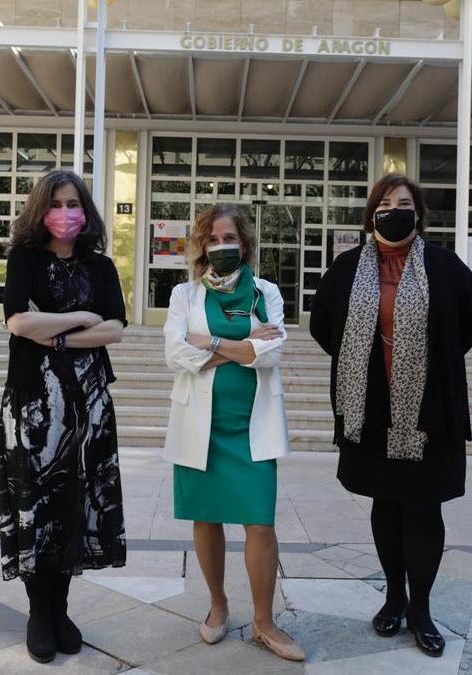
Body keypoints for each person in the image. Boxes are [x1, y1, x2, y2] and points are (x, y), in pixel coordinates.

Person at [309, 173, 472, 658]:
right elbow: (323, 325)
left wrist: (431, 365)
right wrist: (366, 366)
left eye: (404, 203)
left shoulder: (446, 268)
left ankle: (423, 609)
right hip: (370, 410)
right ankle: (394, 597)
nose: (394, 210)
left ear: (419, 213)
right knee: (386, 505)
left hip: (431, 412)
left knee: (424, 508)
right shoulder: (347, 269)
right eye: (385, 203)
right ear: (372, 212)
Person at [162, 203, 304, 662]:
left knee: (260, 522)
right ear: (202, 246)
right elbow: (176, 354)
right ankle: (218, 606)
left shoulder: (265, 291)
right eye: (213, 238)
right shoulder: (185, 295)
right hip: (200, 426)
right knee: (207, 517)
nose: (223, 245)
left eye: (231, 238)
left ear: (245, 243)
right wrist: (243, 346)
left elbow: (272, 351)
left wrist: (215, 344)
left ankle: (264, 621)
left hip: (251, 427)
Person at [0, 170, 128, 664]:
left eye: (74, 203)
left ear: (85, 210)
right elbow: (17, 320)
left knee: (74, 499)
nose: (66, 212)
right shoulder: (25, 260)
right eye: (56, 203)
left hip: (87, 403)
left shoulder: (100, 267)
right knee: (37, 499)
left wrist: (53, 334)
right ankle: (38, 613)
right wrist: (79, 319)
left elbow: (114, 329)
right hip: (32, 400)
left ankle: (62, 610)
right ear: (41, 209)